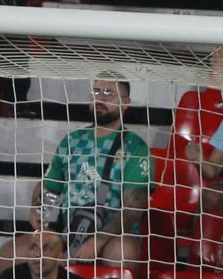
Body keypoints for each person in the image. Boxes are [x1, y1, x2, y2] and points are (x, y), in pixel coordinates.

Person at [39, 77, 152, 263]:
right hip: (69, 229)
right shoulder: (72, 140)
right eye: (96, 92)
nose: (101, 98)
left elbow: (133, 209)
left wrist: (97, 241)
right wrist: (40, 211)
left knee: (124, 250)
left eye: (109, 93)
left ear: (126, 103)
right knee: (13, 251)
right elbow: (51, 187)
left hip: (112, 236)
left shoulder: (135, 147)